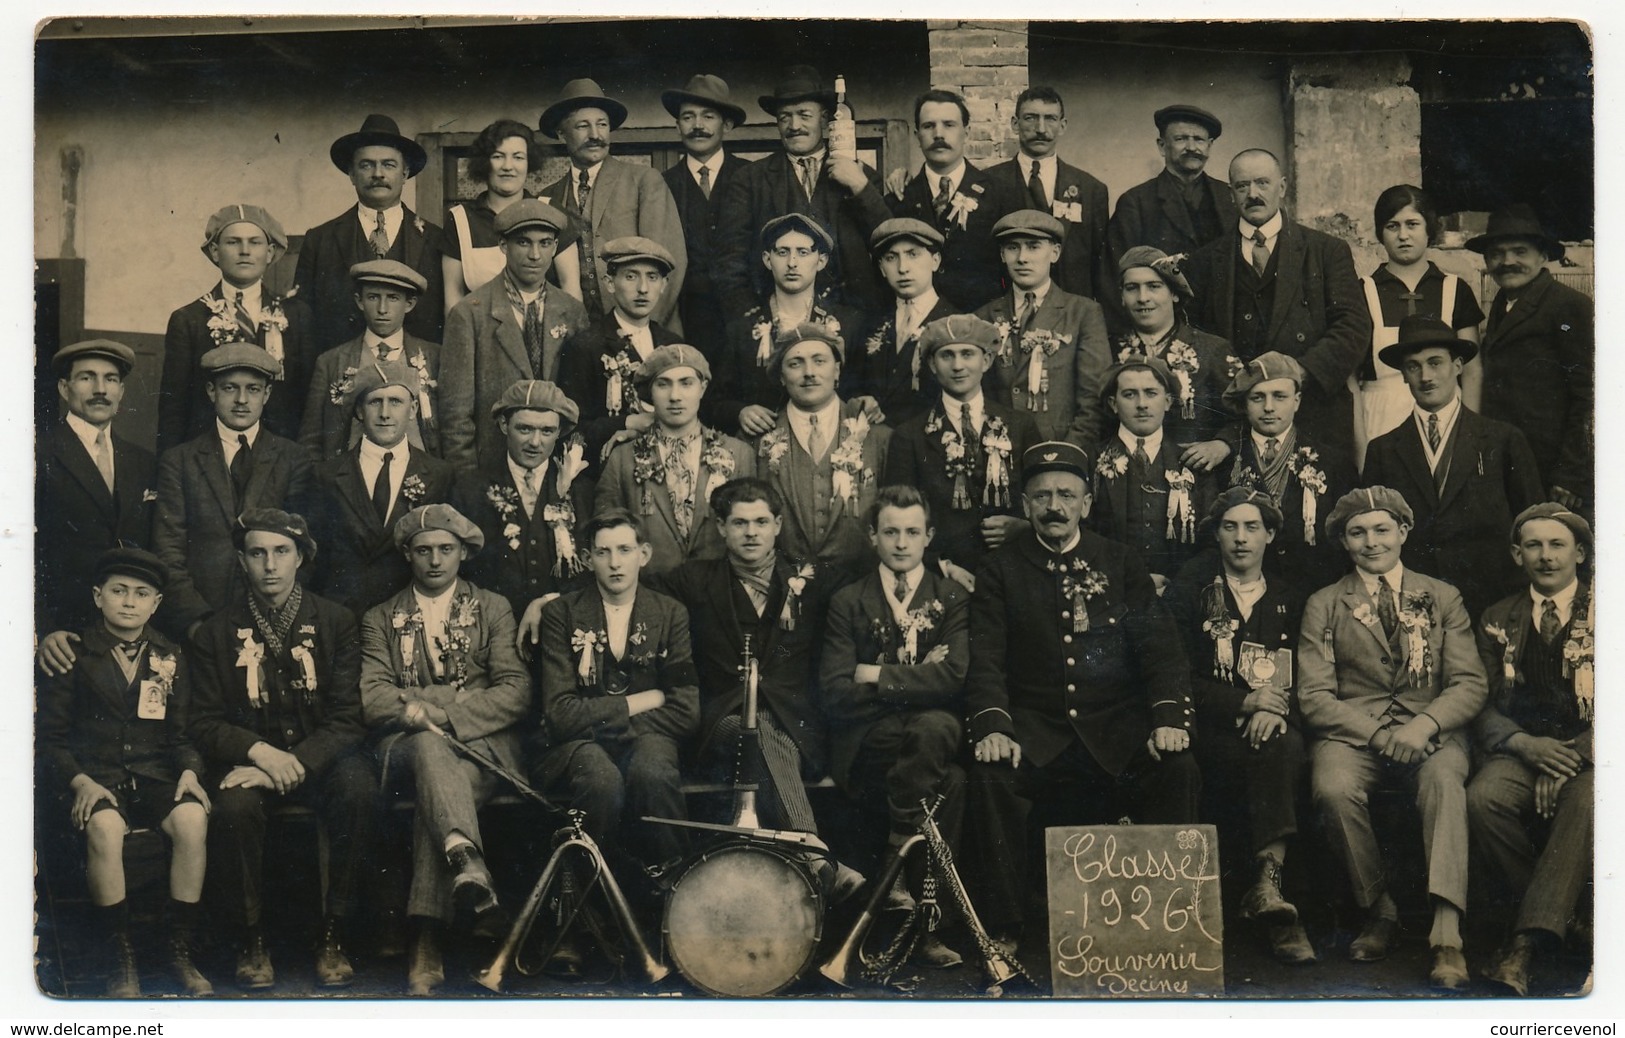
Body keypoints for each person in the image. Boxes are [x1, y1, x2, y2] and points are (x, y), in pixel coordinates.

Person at [964, 440, 1198, 953]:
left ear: (1087, 504)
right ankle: (1006, 925)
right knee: (991, 774)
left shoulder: (1119, 561)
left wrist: (1167, 718)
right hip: (1037, 729)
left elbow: (1160, 649)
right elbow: (986, 659)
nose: (1055, 507)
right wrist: (994, 725)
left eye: (1067, 495)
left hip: (1115, 728)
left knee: (1177, 766)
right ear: (1024, 506)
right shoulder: (1001, 570)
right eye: (1043, 496)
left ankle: (1171, 923)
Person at [1297, 487, 1487, 990]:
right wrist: (1380, 735)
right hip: (1354, 732)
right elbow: (1315, 696)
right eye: (1357, 532)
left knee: (1445, 780)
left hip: (1431, 729)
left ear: (1404, 531)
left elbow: (1469, 682)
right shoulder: (1324, 603)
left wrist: (1425, 725)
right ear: (1343, 540)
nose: (1371, 541)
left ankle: (1447, 931)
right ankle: (1378, 908)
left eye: (1382, 529)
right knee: (1333, 788)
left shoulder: (1442, 595)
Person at [649, 477, 865, 899]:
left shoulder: (811, 580)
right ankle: (815, 855)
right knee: (755, 731)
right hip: (721, 722)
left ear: (779, 525)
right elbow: (628, 587)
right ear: (720, 527)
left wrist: (947, 568)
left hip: (796, 725)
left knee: (765, 730)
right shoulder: (694, 580)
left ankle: (809, 858)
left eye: (761, 522)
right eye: (740, 522)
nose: (751, 533)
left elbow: (870, 581)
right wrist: (545, 601)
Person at [189, 509, 374, 990]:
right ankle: (252, 938)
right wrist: (260, 754)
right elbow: (204, 721)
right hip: (251, 765)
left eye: (281, 552)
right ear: (240, 561)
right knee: (232, 805)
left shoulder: (335, 621)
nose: (270, 565)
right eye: (257, 553)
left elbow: (347, 719)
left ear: (301, 558)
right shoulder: (215, 630)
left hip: (321, 759)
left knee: (358, 789)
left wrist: (291, 764)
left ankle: (334, 933)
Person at [359, 504, 530, 996]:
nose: (435, 560)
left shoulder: (492, 607)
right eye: (424, 550)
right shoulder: (381, 618)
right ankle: (466, 859)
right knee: (432, 755)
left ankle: (426, 940)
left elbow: (516, 689)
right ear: (408, 555)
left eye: (446, 550)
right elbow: (374, 699)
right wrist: (453, 699)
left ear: (463, 553)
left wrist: (444, 716)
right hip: (406, 752)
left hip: (482, 750)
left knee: (437, 789)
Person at [38, 547, 213, 997]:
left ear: (156, 604)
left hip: (154, 777)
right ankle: (121, 958)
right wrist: (80, 780)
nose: (129, 602)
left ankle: (179, 950)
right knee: (104, 826)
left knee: (192, 819)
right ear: (98, 597)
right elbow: (51, 740)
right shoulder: (74, 653)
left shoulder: (170, 655)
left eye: (141, 594)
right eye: (118, 591)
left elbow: (179, 736)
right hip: (96, 778)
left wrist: (190, 772)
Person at [819, 484, 969, 969]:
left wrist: (874, 673)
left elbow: (954, 679)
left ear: (929, 536)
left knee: (935, 737)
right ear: (872, 536)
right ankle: (924, 933)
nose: (901, 543)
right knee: (950, 782)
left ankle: (896, 871)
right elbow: (837, 691)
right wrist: (919, 674)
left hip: (924, 729)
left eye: (911, 532)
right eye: (890, 532)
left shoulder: (951, 596)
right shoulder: (848, 600)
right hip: (869, 737)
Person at [1165, 489, 1314, 964]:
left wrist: (1277, 708)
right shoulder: (1191, 588)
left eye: (1252, 527)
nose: (1241, 538)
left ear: (1270, 534)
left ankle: (1269, 886)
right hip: (1211, 723)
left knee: (1284, 748)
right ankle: (1195, 910)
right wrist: (1245, 701)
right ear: (1216, 534)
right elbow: (1174, 671)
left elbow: (1309, 672)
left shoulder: (1292, 595)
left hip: (1273, 726)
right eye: (1230, 527)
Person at [533, 509, 699, 917]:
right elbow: (559, 713)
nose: (614, 562)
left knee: (653, 771)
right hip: (576, 747)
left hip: (640, 739)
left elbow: (685, 708)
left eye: (624, 550)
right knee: (601, 779)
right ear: (588, 559)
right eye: (603, 552)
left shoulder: (671, 614)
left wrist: (601, 720)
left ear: (644, 554)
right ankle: (578, 911)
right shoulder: (562, 614)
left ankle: (680, 903)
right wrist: (638, 703)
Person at [1467, 504, 1593, 997]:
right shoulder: (1499, 617)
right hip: (1521, 750)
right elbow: (1479, 699)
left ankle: (1522, 946)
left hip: (1592, 755)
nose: (1546, 557)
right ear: (1517, 555)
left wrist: (1573, 756)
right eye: (1534, 546)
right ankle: (1566, 920)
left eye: (1557, 545)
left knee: (1588, 801)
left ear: (1579, 553)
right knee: (1483, 799)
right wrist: (1524, 745)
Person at [1181, 149, 1370, 458]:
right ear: (1231, 194)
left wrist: (1301, 371)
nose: (1252, 194)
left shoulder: (1326, 251)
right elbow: (1199, 342)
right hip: (1238, 424)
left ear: (1282, 187)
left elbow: (1353, 327)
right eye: (1242, 186)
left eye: (1262, 183)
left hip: (1315, 412)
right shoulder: (1204, 262)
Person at [1362, 315, 1543, 620]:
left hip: (1490, 601)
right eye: (1413, 366)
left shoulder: (1503, 439)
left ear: (1458, 366)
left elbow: (1533, 524)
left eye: (1435, 363)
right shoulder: (1383, 449)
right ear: (1403, 375)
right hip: (1414, 606)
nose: (1425, 376)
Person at [154, 343, 312, 639]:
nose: (241, 400)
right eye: (229, 388)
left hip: (274, 619)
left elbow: (303, 546)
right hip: (201, 620)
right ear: (211, 391)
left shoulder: (293, 458)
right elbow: (168, 550)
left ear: (266, 394)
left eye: (253, 389)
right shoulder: (180, 460)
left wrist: (280, 616)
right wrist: (196, 623)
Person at [712, 65, 893, 316]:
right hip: (775, 321)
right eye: (785, 117)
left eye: (804, 115)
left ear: (825, 119)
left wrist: (860, 188)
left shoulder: (862, 177)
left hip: (853, 323)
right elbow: (730, 262)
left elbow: (889, 243)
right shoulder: (750, 180)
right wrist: (753, 320)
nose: (794, 125)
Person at [439, 198, 593, 473]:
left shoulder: (571, 311)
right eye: (523, 242)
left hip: (557, 469)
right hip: (493, 468)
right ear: (503, 246)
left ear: (556, 247)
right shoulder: (470, 313)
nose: (535, 255)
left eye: (545, 243)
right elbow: (456, 415)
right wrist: (467, 480)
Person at [884, 314, 1039, 587]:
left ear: (987, 361)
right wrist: (942, 566)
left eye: (968, 354)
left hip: (1016, 571)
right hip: (944, 579)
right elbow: (897, 515)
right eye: (947, 356)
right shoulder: (909, 436)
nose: (958, 366)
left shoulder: (1020, 426)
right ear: (932, 364)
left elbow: (1040, 495)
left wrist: (1025, 527)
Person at [305, 360, 457, 614]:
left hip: (410, 614)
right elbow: (313, 558)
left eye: (396, 402)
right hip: (341, 615)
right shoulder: (326, 475)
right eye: (375, 402)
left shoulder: (440, 475)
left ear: (413, 409)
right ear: (360, 411)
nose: (385, 413)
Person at [1467, 204, 1593, 511]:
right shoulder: (1501, 303)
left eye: (1519, 251)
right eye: (1497, 253)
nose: (1507, 261)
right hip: (1510, 462)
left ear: (1542, 256)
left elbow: (1586, 396)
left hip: (1551, 472)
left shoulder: (1568, 306)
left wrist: (1571, 473)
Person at [1350, 185, 1485, 471]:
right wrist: (1362, 449)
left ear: (1429, 230)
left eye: (1412, 224)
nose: (1403, 235)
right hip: (1380, 416)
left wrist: (1470, 436)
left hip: (1447, 417)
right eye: (1392, 226)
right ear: (1379, 233)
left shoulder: (1454, 288)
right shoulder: (1362, 291)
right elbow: (1351, 379)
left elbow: (1472, 370)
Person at [160, 204, 310, 454]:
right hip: (207, 457)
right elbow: (173, 408)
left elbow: (305, 400)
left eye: (254, 243)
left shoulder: (296, 316)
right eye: (233, 242)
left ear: (270, 252)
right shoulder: (189, 319)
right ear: (215, 252)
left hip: (279, 458)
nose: (244, 251)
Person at [595, 345, 755, 579]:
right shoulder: (622, 457)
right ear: (650, 393)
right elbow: (606, 535)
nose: (675, 396)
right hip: (651, 592)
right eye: (663, 384)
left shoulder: (739, 453)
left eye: (686, 383)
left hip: (721, 593)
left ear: (703, 388)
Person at [538, 78, 687, 323]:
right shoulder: (549, 196)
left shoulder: (644, 181)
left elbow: (670, 262)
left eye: (602, 125)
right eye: (583, 126)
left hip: (638, 327)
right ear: (561, 133)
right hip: (575, 333)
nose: (595, 135)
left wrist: (643, 331)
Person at [460, 380, 593, 651]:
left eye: (547, 431)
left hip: (565, 632)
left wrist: (550, 602)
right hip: (493, 635)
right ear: (503, 426)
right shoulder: (471, 489)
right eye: (524, 429)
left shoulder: (581, 491)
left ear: (559, 433)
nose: (535, 442)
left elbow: (592, 570)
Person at [294, 114, 446, 350]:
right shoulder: (320, 240)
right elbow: (303, 323)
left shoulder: (435, 239)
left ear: (405, 173)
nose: (378, 174)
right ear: (352, 175)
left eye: (388, 164)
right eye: (366, 165)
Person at [754, 321, 891, 580]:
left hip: (860, 586)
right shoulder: (757, 441)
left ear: (837, 370)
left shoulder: (878, 436)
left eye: (819, 361)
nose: (809, 373)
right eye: (795, 364)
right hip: (783, 587)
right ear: (781, 377)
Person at [38, 339, 156, 635]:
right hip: (65, 631)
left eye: (110, 379)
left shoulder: (143, 461)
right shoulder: (38, 453)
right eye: (87, 377)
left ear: (121, 392)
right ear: (65, 389)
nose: (100, 389)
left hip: (131, 629)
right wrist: (44, 628)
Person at [711, 212, 861, 438]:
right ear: (767, 259)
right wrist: (740, 412)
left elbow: (861, 393)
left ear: (821, 260)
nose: (792, 263)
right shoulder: (742, 329)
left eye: (802, 252)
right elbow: (715, 401)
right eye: (783, 252)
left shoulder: (848, 323)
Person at [974, 210, 1111, 448]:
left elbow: (1094, 400)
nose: (1022, 258)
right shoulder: (983, 316)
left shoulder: (1082, 312)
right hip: (998, 452)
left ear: (1054, 253)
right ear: (1002, 255)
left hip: (1060, 448)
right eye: (1013, 247)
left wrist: (1066, 455)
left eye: (1033, 246)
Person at [1222, 352, 1355, 592]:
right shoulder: (1226, 459)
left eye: (1279, 396)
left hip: (1312, 591)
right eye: (1258, 398)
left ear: (1297, 401)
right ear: (1244, 404)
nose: (1269, 407)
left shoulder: (1334, 463)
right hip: (1244, 592)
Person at [1088, 356, 1219, 591]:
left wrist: (1179, 586)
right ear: (1113, 404)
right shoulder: (1090, 461)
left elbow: (1210, 542)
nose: (1142, 404)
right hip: (1110, 590)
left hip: (1176, 593)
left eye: (1151, 393)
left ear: (1168, 402)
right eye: (1129, 394)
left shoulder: (1192, 464)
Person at [300, 259, 443, 462]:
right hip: (349, 481)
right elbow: (311, 439)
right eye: (373, 297)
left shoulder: (434, 357)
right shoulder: (331, 361)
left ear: (409, 304)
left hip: (421, 477)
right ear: (359, 301)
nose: (382, 308)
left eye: (393, 298)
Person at [556, 236, 683, 463]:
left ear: (663, 285)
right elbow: (569, 430)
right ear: (610, 283)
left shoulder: (675, 345)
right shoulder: (585, 346)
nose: (643, 289)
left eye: (652, 277)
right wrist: (626, 423)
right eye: (631, 276)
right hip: (608, 471)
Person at [1112, 245, 1237, 470]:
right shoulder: (1108, 349)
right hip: (1125, 474)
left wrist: (1222, 444)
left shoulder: (1212, 349)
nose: (1142, 298)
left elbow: (1245, 414)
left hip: (1193, 478)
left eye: (1154, 286)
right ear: (1122, 297)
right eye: (1132, 288)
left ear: (1174, 293)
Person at [441, 117, 584, 314]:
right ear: (484, 163)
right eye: (498, 156)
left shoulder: (551, 211)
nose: (508, 166)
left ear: (529, 163)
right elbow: (452, 301)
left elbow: (571, 289)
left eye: (518, 157)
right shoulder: (460, 219)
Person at [984, 86, 1112, 302]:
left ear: (1062, 126)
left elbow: (1101, 267)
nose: (1041, 129)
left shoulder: (1091, 189)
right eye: (1031, 118)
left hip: (1071, 312)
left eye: (1050, 119)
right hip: (1007, 311)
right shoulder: (987, 183)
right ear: (1015, 124)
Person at [885, 89, 1008, 312]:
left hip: (981, 324)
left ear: (966, 132)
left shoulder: (998, 194)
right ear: (917, 135)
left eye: (949, 125)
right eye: (928, 126)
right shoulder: (900, 199)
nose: (938, 134)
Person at [661, 74, 748, 359]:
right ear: (677, 126)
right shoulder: (661, 184)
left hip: (744, 318)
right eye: (688, 117)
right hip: (684, 321)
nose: (697, 126)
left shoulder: (753, 177)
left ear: (727, 124)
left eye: (708, 116)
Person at [844, 218, 959, 427]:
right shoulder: (869, 323)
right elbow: (851, 385)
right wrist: (861, 400)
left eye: (913, 254)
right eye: (891, 257)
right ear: (881, 268)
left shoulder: (955, 324)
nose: (903, 267)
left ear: (935, 261)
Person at [1107, 104, 1238, 272]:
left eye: (1199, 139)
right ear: (1162, 146)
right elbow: (1115, 273)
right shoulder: (1135, 202)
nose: (1191, 147)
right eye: (1180, 139)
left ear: (1209, 146)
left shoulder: (1229, 196)